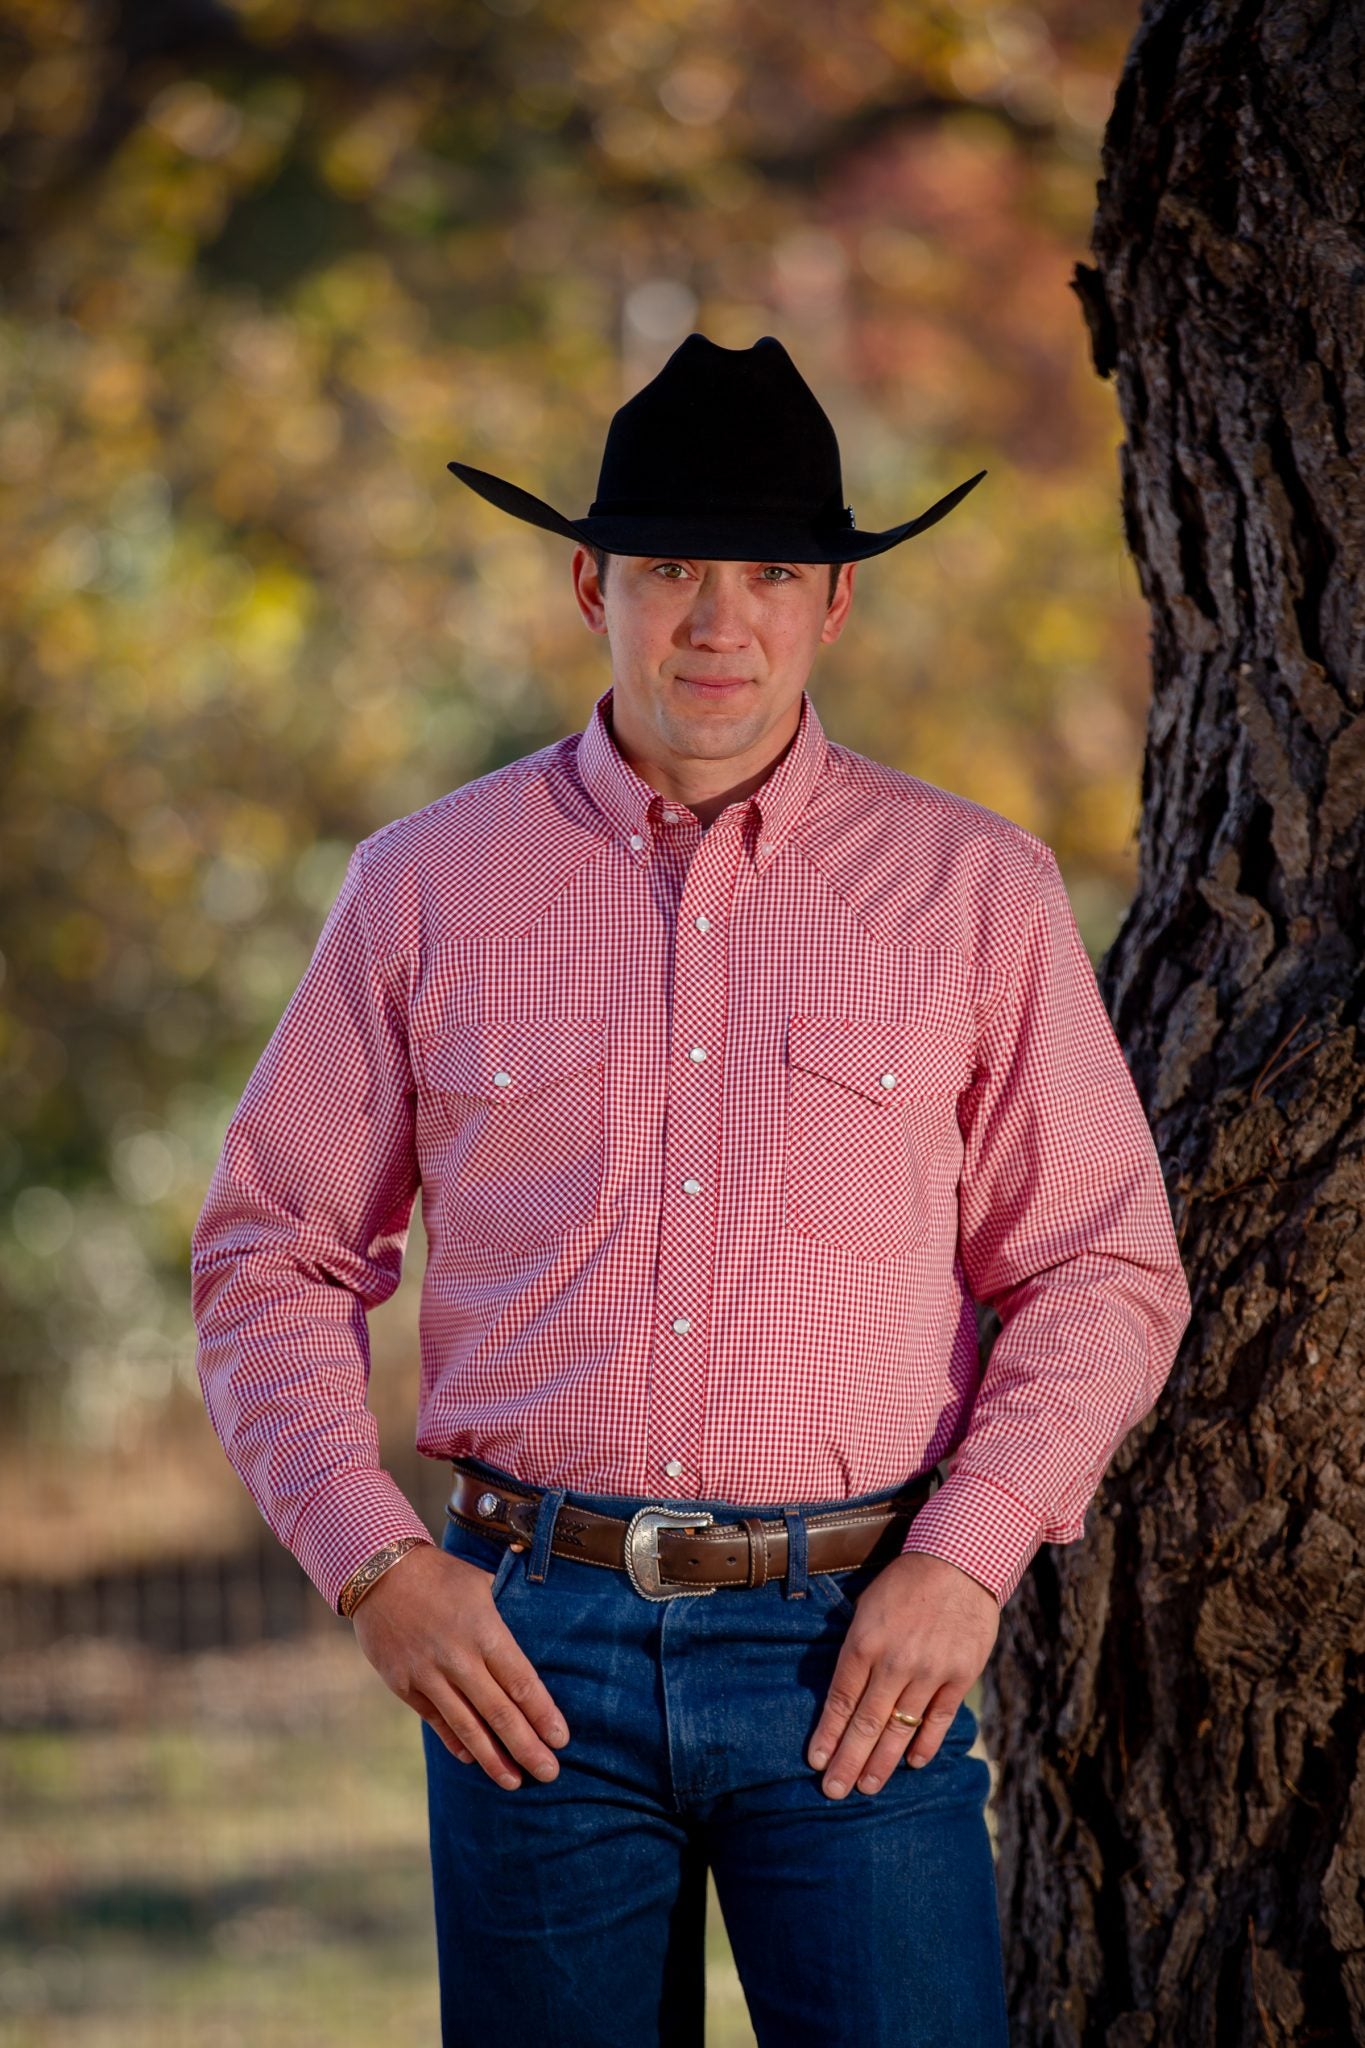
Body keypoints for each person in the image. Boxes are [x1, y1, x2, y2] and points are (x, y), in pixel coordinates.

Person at [191, 332, 1192, 2047]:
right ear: (591, 584)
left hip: (859, 1655)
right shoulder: (424, 887)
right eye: (667, 570)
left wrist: (962, 1562)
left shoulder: (974, 893)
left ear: (832, 607)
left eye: (769, 576)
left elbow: (1102, 1268)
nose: (716, 620)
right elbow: (271, 1253)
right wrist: (371, 1563)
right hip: (525, 1653)